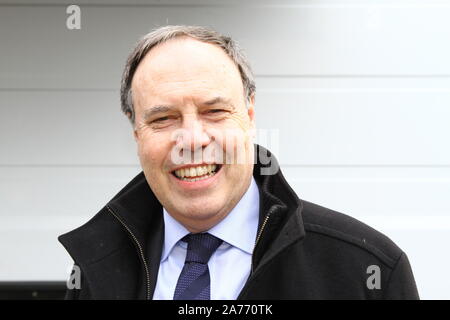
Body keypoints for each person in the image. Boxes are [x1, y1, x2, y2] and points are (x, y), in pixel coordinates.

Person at [58, 25, 419, 300]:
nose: (192, 140)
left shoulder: (366, 272)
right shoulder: (95, 269)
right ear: (136, 133)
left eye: (214, 111)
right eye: (162, 119)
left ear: (249, 115)